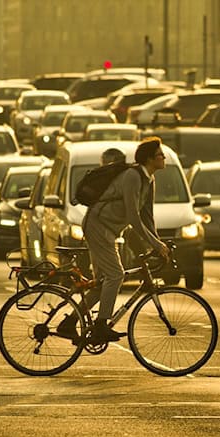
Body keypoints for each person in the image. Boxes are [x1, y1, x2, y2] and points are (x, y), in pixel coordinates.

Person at [58, 139, 170, 344]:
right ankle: (101, 326)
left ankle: (69, 323)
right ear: (149, 159)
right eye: (160, 154)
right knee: (116, 275)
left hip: (109, 231)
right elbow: (133, 217)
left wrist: (159, 243)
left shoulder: (149, 180)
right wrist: (154, 244)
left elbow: (147, 216)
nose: (164, 158)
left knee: (102, 284)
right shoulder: (133, 177)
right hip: (98, 226)